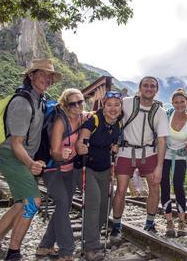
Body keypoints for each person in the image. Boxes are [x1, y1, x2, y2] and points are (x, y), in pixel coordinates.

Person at [0, 59, 61, 261]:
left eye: (49, 76)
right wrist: (31, 164)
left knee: (20, 204)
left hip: (23, 157)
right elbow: (16, 143)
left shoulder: (41, 100)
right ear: (31, 76)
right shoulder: (22, 102)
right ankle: (13, 253)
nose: (47, 79)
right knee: (33, 202)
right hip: (11, 155)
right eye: (42, 74)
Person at [110, 76, 169, 242]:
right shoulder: (127, 103)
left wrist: (159, 166)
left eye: (152, 86)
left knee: (154, 186)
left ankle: (150, 223)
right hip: (126, 151)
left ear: (156, 90)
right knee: (121, 189)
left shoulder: (159, 112)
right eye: (145, 85)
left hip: (148, 152)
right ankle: (116, 226)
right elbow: (111, 112)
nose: (149, 89)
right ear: (140, 88)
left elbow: (162, 140)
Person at [35, 89, 87, 261]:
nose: (78, 106)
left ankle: (44, 246)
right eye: (73, 103)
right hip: (53, 170)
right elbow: (54, 152)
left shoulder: (82, 117)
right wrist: (61, 154)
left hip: (70, 170)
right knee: (63, 203)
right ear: (65, 105)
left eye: (80, 101)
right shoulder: (60, 122)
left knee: (62, 208)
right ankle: (66, 250)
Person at [75, 91, 123, 261]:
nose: (113, 108)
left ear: (120, 107)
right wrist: (81, 147)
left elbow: (115, 142)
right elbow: (82, 141)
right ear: (103, 105)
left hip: (104, 169)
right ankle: (91, 247)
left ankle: (91, 234)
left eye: (117, 105)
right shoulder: (94, 120)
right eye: (109, 104)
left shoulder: (118, 124)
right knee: (93, 202)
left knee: (106, 205)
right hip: (86, 167)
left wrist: (115, 147)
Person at [161, 88, 187, 237]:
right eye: (176, 102)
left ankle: (182, 222)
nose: (179, 105)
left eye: (182, 102)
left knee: (178, 185)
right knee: (164, 184)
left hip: (181, 157)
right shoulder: (167, 115)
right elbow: (160, 136)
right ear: (172, 103)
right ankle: (169, 221)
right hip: (165, 154)